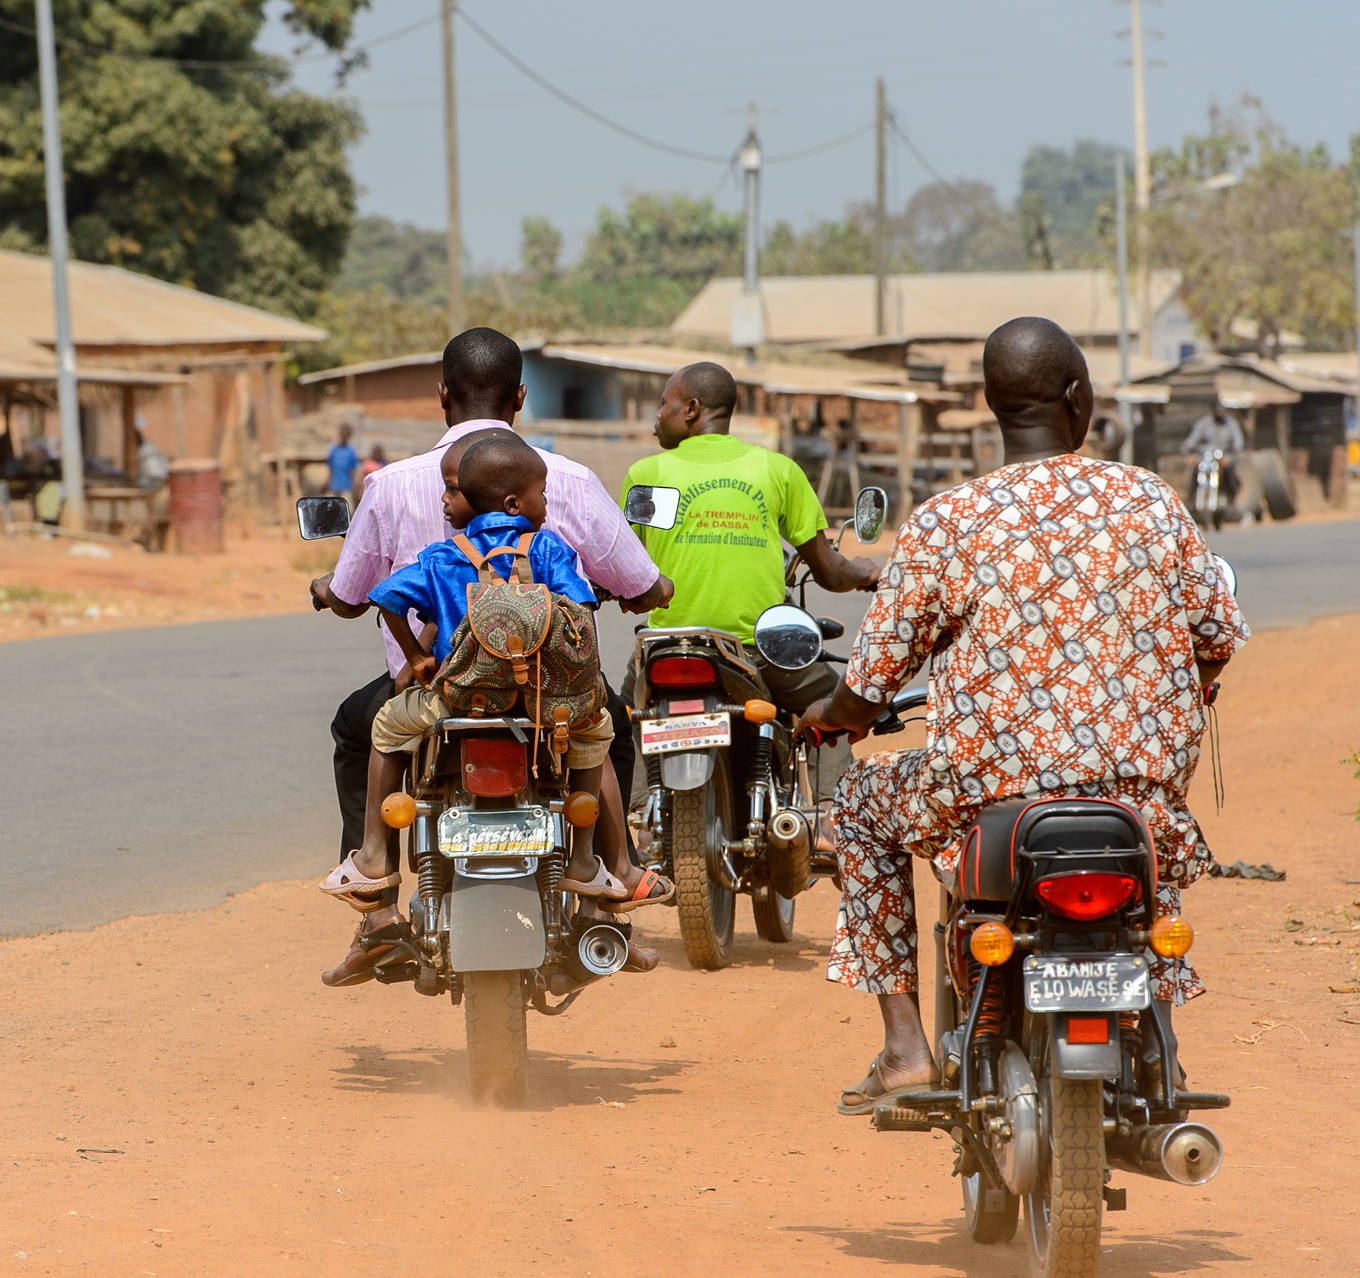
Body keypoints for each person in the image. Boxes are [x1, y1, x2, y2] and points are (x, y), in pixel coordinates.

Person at [799, 317, 1248, 1115]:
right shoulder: (1149, 499)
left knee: (863, 810)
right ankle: (1162, 1046)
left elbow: (870, 686)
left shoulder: (944, 523)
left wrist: (829, 719)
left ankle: (905, 1048)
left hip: (985, 797)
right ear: (1080, 397)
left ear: (989, 403)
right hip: (1132, 789)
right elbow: (1215, 637)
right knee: (1150, 838)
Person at [310, 326, 673, 987]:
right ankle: (608, 895)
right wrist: (637, 594)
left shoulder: (394, 488)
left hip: (438, 690)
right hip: (550, 696)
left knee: (357, 729)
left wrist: (403, 645)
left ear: (442, 394)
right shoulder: (566, 481)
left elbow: (356, 595)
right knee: (606, 730)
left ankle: (379, 911)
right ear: (521, 398)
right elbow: (630, 583)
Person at [620, 361, 880, 887]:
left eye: (663, 405)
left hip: (669, 646)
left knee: (627, 712)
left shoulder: (649, 474)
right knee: (831, 693)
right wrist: (866, 573)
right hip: (755, 652)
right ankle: (830, 816)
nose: (656, 417)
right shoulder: (776, 471)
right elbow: (828, 570)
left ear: (691, 410)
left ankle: (639, 824)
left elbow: (630, 567)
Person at [1181, 399, 1245, 514]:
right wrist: (1188, 450)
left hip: (1223, 457)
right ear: (1213, 411)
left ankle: (1232, 500)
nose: (1220, 413)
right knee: (1195, 471)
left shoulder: (1231, 424)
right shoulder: (1204, 423)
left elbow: (1238, 443)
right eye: (1217, 411)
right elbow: (1192, 440)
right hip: (1205, 457)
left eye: (1222, 411)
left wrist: (1232, 454)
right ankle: (1191, 499)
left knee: (1229, 472)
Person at [327, 424, 359, 500]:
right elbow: (331, 469)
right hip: (334, 487)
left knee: (347, 510)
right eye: (342, 434)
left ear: (349, 436)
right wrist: (328, 483)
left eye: (346, 435)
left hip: (346, 488)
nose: (344, 437)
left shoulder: (351, 452)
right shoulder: (334, 450)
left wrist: (353, 486)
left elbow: (353, 471)